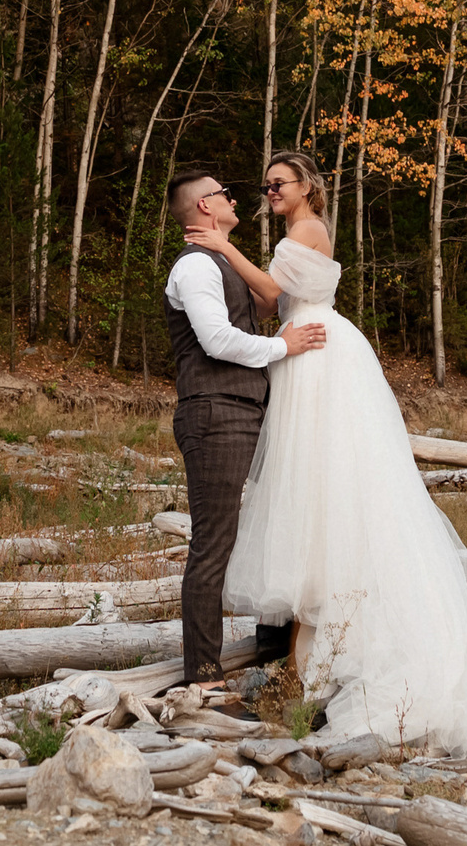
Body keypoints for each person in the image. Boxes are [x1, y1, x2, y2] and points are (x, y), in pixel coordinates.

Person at [199, 149, 467, 753]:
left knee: (332, 474)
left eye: (279, 182)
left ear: (306, 187)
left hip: (322, 357)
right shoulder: (295, 231)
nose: (269, 189)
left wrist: (220, 245)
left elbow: (269, 287)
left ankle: (333, 638)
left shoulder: (310, 227)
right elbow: (269, 303)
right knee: (311, 482)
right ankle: (309, 639)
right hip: (301, 350)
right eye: (264, 182)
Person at [161, 167, 324, 688]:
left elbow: (269, 297)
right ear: (205, 206)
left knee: (276, 522)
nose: (234, 198)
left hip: (248, 409)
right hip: (215, 413)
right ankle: (204, 678)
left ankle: (273, 650)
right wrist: (283, 347)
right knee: (214, 543)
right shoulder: (193, 268)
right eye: (224, 192)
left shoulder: (219, 263)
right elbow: (217, 341)